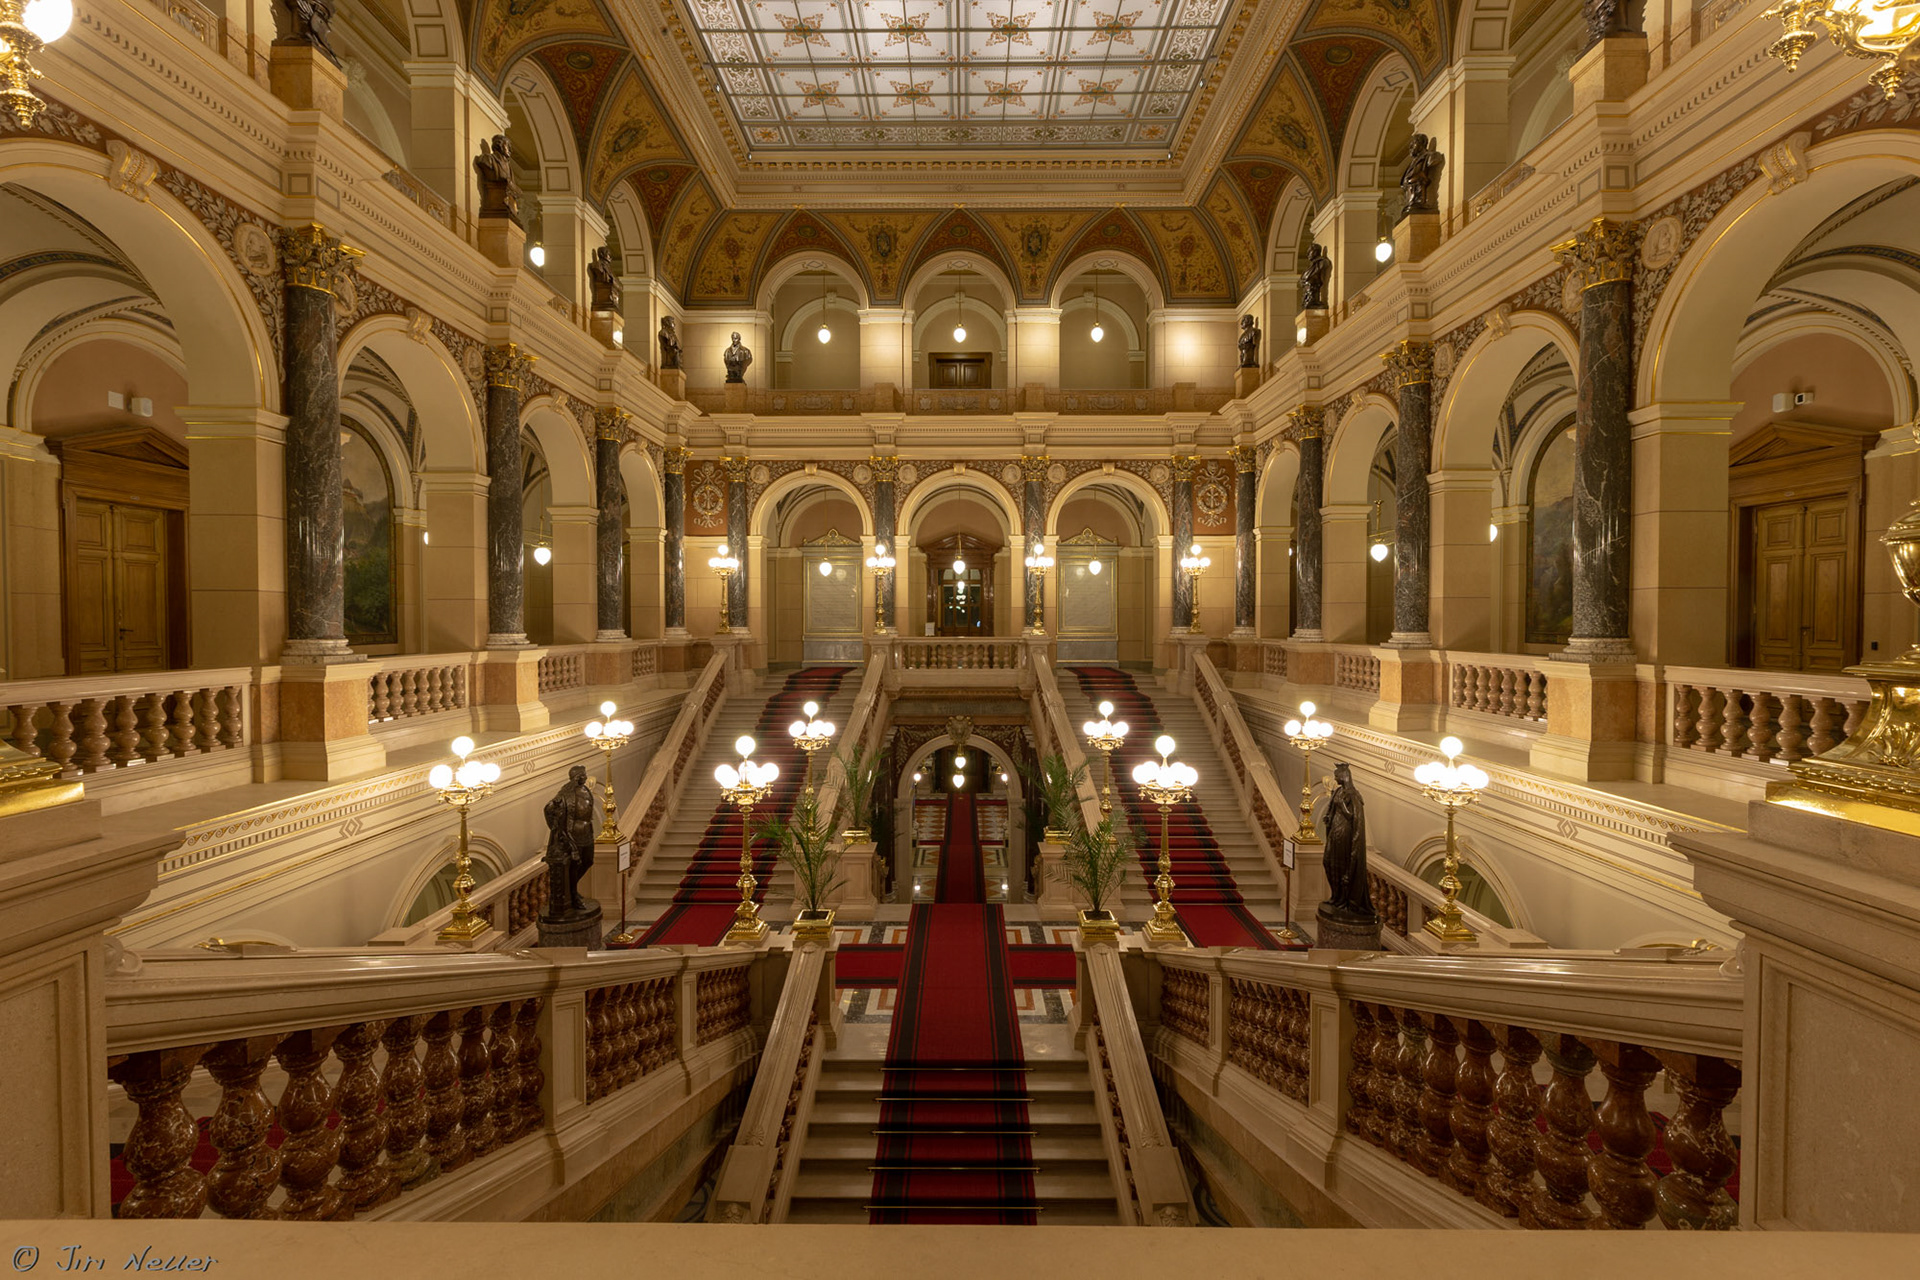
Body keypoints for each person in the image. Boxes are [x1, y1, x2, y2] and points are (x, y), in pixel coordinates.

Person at [1319, 762, 1376, 922]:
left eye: (1337, 775)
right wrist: (1328, 818)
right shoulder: (1338, 791)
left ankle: (1343, 900)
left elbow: (1353, 817)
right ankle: (1335, 897)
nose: (1335, 778)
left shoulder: (1354, 796)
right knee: (1328, 863)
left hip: (1345, 836)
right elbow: (1332, 809)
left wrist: (1342, 806)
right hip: (1334, 833)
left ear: (1344, 776)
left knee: (1342, 867)